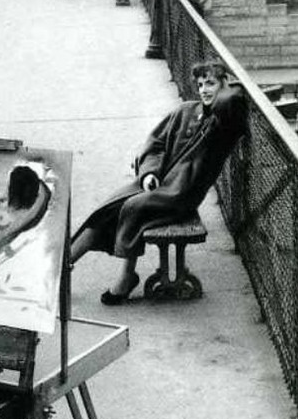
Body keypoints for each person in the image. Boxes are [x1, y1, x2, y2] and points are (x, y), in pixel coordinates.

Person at [71, 62, 247, 304]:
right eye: (200, 85)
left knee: (131, 208)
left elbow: (232, 98)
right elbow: (155, 144)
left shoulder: (223, 123)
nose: (205, 90)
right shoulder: (186, 110)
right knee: (107, 211)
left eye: (211, 84)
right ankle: (67, 270)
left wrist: (229, 81)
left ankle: (122, 277)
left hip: (180, 194)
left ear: (224, 85)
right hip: (157, 185)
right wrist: (149, 174)